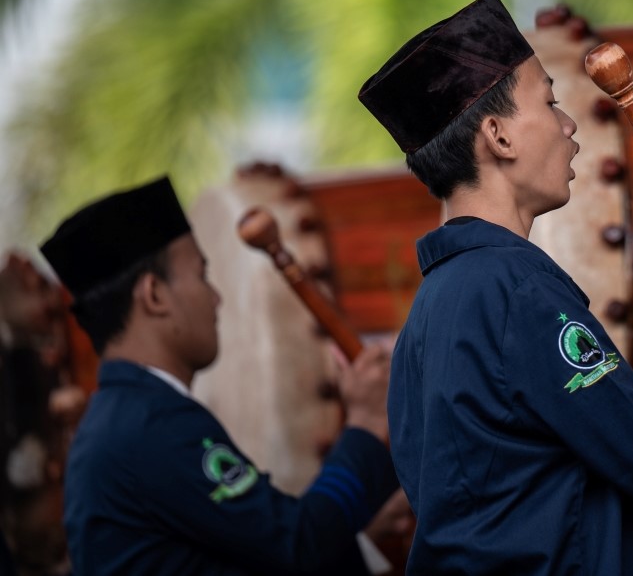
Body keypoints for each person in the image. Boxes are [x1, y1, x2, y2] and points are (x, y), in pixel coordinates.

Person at [357, 0, 633, 574]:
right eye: (550, 103)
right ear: (499, 137)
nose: (570, 124)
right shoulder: (515, 288)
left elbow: (523, 502)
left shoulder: (429, 313)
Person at [41, 177, 401, 576]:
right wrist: (365, 424)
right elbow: (299, 545)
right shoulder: (151, 425)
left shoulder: (121, 421)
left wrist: (359, 537)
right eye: (201, 275)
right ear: (155, 295)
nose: (216, 298)